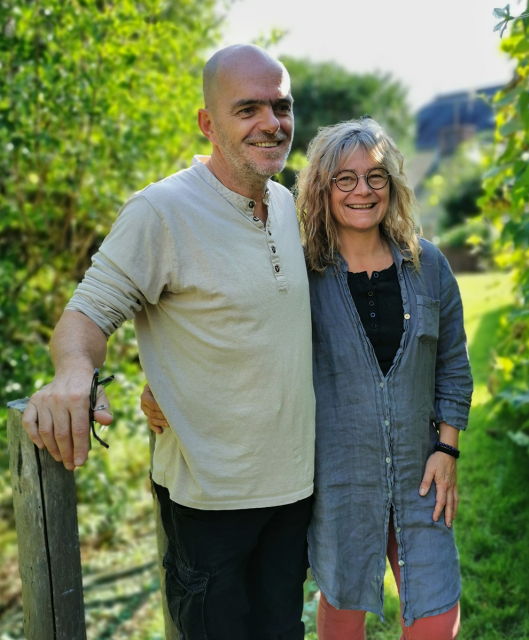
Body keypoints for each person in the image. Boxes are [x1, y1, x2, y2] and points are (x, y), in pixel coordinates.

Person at [21, 44, 316, 640]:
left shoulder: (287, 203)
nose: (271, 123)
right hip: (208, 501)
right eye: (248, 109)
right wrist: (74, 375)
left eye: (281, 106)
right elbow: (86, 316)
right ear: (208, 123)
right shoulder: (162, 211)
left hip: (293, 490)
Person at [143, 117, 473, 640]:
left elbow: (453, 362)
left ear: (393, 184)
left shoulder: (427, 265)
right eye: (345, 178)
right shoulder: (301, 274)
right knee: (341, 617)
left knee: (436, 620)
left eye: (376, 176)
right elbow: (244, 339)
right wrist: (166, 382)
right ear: (322, 188)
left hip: (422, 475)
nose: (362, 190)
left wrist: (447, 449)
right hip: (339, 480)